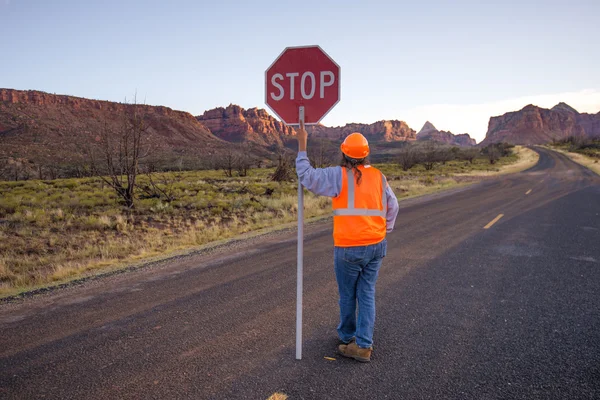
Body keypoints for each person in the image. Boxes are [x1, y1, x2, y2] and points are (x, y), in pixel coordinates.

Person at [295, 121, 399, 362]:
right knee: (366, 293)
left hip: (348, 247)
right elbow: (393, 205)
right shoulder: (379, 177)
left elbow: (306, 176)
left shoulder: (337, 175)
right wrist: (385, 230)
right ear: (366, 155)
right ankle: (363, 345)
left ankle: (347, 338)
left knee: (347, 295)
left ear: (343, 153)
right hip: (376, 245)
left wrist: (302, 145)